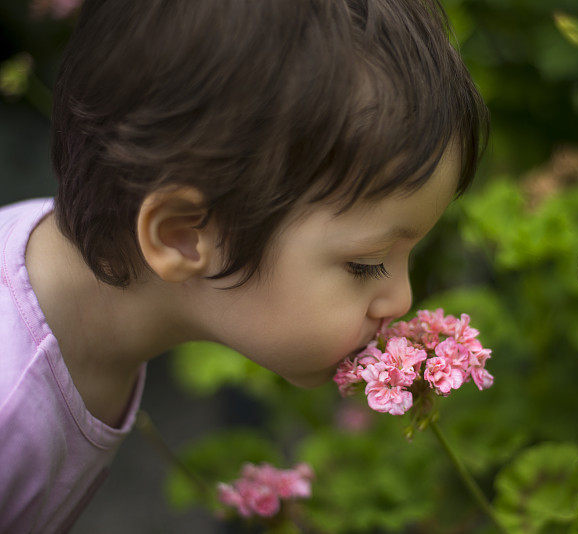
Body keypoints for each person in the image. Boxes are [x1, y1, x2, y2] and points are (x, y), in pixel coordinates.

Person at [0, 0, 489, 531]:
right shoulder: (11, 409)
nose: (402, 302)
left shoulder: (59, 289)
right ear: (184, 236)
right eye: (365, 263)